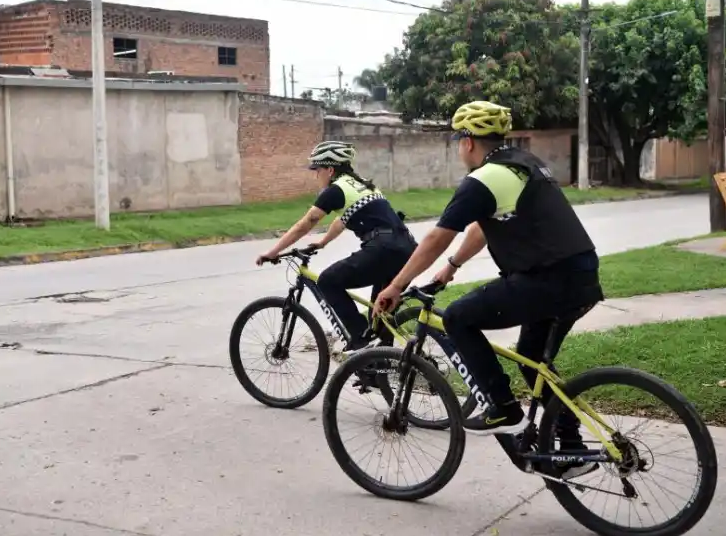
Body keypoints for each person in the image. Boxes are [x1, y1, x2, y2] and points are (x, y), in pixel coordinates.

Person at [372, 100, 604, 478]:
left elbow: (436, 237)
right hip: (580, 276)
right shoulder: (521, 164)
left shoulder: (483, 178)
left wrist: (397, 286)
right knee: (531, 355)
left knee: (460, 317)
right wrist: (450, 268)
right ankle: (571, 447)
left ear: (467, 142)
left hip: (549, 280)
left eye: (456, 141)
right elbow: (482, 227)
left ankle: (502, 407)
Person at [256, 141, 417, 354]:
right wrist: (322, 242)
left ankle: (360, 341)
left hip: (383, 250)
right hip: (406, 249)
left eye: (317, 169)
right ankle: (379, 366)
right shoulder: (361, 184)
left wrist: (273, 252)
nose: (315, 175)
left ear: (330, 169)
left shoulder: (336, 189)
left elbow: (308, 221)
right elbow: (342, 219)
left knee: (328, 281)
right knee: (379, 316)